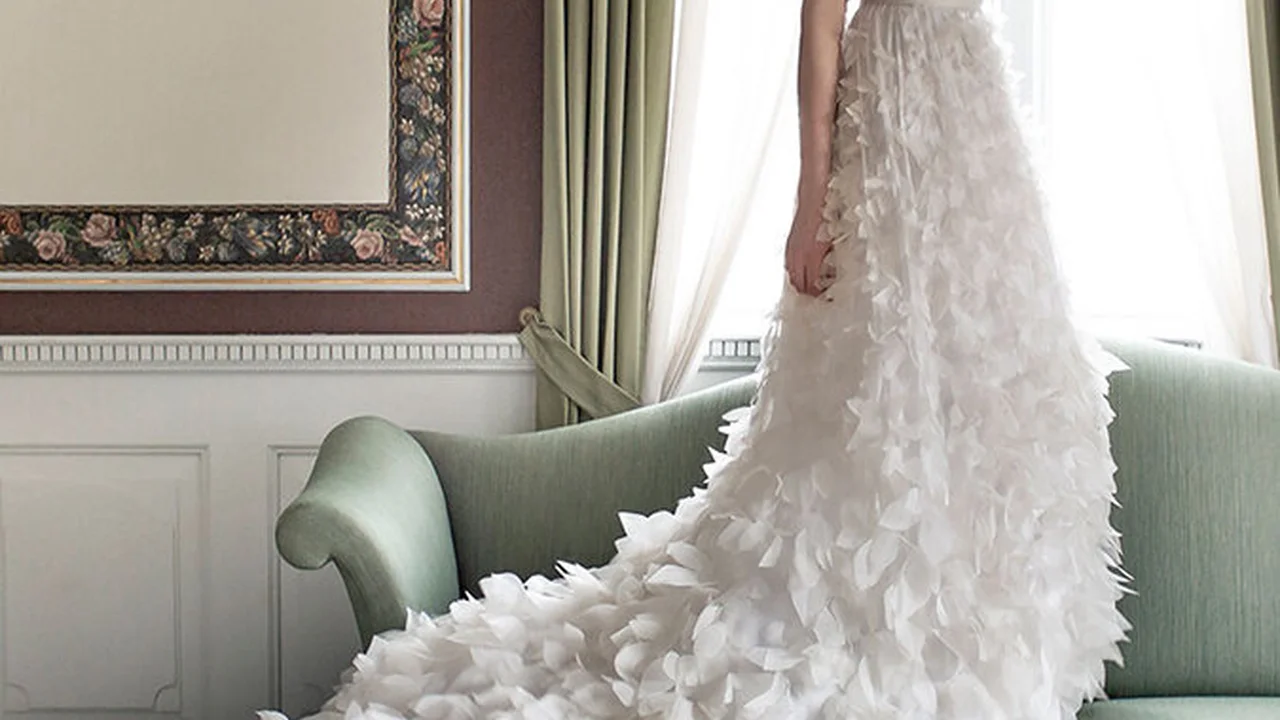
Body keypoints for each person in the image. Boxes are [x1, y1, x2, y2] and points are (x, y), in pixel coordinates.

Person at [263, 0, 1129, 717]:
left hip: (976, 132)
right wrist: (811, 197)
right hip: (892, 120)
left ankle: (964, 650)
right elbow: (820, 19)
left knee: (991, 406)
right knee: (872, 407)